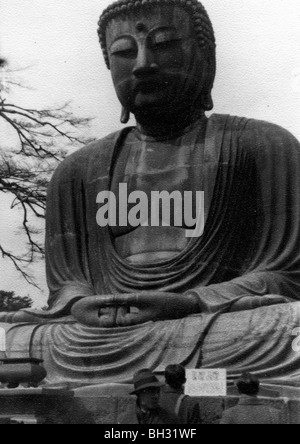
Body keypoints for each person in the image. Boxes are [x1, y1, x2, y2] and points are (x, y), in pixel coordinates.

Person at [0, 0, 300, 387]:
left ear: (205, 57)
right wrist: (80, 304)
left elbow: (286, 274)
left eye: (165, 44)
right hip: (99, 337)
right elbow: (69, 283)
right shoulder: (77, 171)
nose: (142, 63)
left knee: (292, 324)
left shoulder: (264, 145)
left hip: (216, 324)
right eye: (123, 52)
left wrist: (191, 301)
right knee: (19, 337)